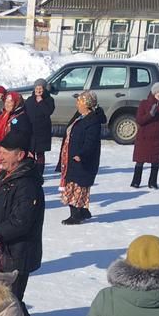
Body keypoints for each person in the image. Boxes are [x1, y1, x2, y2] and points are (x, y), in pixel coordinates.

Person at [0, 127, 45, 316]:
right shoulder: (6, 176)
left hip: (18, 252)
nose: (1, 154)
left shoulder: (27, 184)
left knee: (12, 300)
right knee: (6, 298)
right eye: (1, 149)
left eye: (7, 151)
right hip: (2, 248)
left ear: (20, 155)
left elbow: (21, 222)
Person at [58, 91, 105, 224]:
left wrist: (81, 154)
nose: (77, 103)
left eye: (79, 101)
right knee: (71, 186)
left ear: (87, 104)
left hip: (82, 160)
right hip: (71, 158)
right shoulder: (80, 116)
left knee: (78, 187)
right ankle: (82, 211)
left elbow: (91, 142)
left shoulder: (93, 120)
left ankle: (76, 215)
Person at [131, 81, 159, 189]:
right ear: (153, 92)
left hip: (158, 138)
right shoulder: (144, 103)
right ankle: (136, 182)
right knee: (140, 161)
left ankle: (153, 182)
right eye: (158, 92)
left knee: (155, 162)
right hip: (144, 138)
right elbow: (139, 120)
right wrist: (150, 114)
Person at [23, 79, 55, 166]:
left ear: (44, 89)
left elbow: (48, 111)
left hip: (42, 132)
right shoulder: (30, 100)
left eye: (40, 88)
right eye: (37, 88)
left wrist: (41, 101)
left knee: (40, 154)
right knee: (30, 152)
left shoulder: (49, 100)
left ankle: (40, 173)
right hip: (31, 131)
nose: (38, 90)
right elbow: (24, 113)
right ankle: (30, 172)